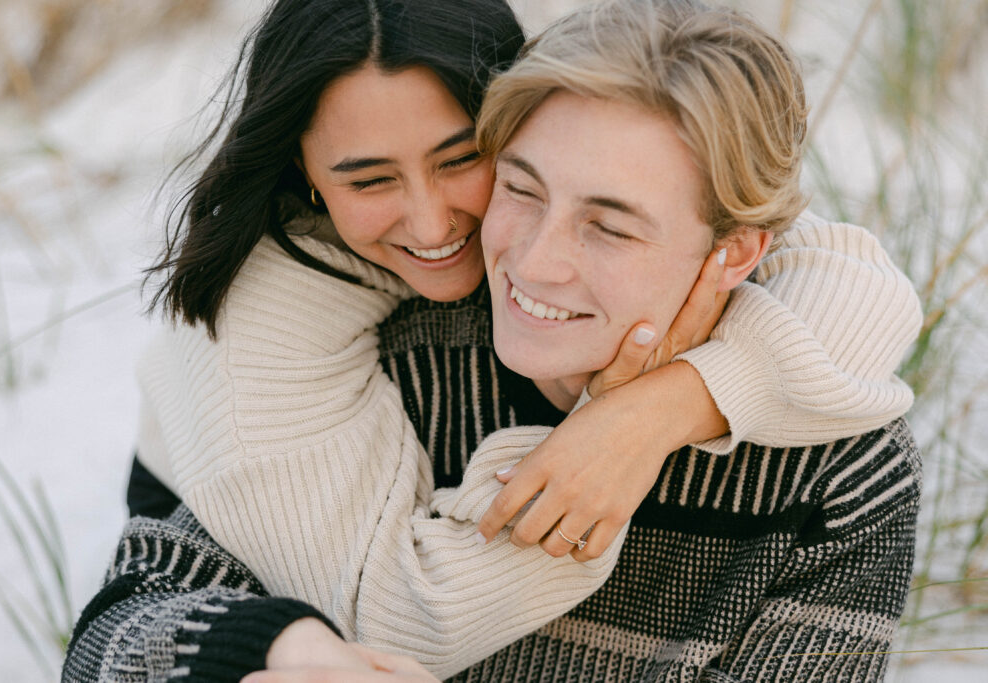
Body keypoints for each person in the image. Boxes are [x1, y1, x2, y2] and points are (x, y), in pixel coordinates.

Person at [64, 0, 921, 680]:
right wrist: (280, 649)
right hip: (221, 469)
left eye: (610, 227)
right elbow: (129, 635)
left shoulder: (840, 464)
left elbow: (846, 275)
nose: (525, 258)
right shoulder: (350, 347)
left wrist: (662, 408)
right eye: (523, 188)